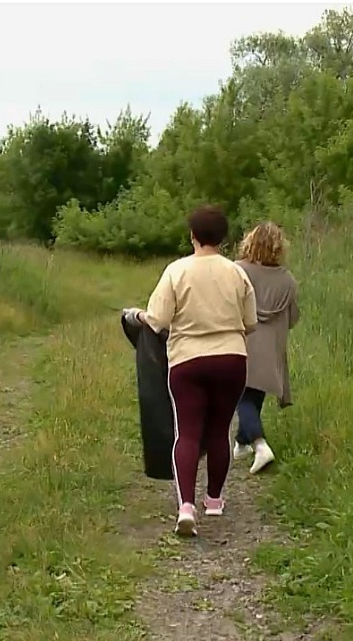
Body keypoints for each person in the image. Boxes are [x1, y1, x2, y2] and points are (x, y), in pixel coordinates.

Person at [125, 204, 258, 537]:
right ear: (224, 238)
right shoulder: (237, 273)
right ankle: (214, 500)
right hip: (231, 359)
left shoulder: (176, 271)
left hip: (188, 360)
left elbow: (157, 321)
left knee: (187, 432)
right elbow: (250, 323)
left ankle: (186, 506)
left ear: (192, 235)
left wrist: (136, 316)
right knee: (218, 430)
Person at [232, 222, 299, 474]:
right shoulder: (288, 280)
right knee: (253, 394)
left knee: (240, 395)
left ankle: (260, 445)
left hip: (241, 341)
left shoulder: (237, 271)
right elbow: (293, 318)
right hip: (271, 348)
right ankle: (241, 443)